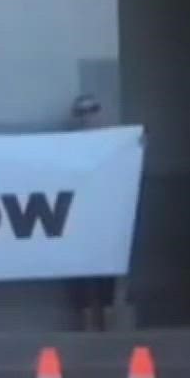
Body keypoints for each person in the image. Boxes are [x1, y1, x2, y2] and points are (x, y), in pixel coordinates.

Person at [68, 94, 118, 330]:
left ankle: (108, 328)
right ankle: (88, 330)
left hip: (107, 221)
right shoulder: (65, 148)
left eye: (92, 110)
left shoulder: (117, 144)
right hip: (76, 222)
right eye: (81, 112)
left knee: (108, 275)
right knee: (79, 277)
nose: (87, 116)